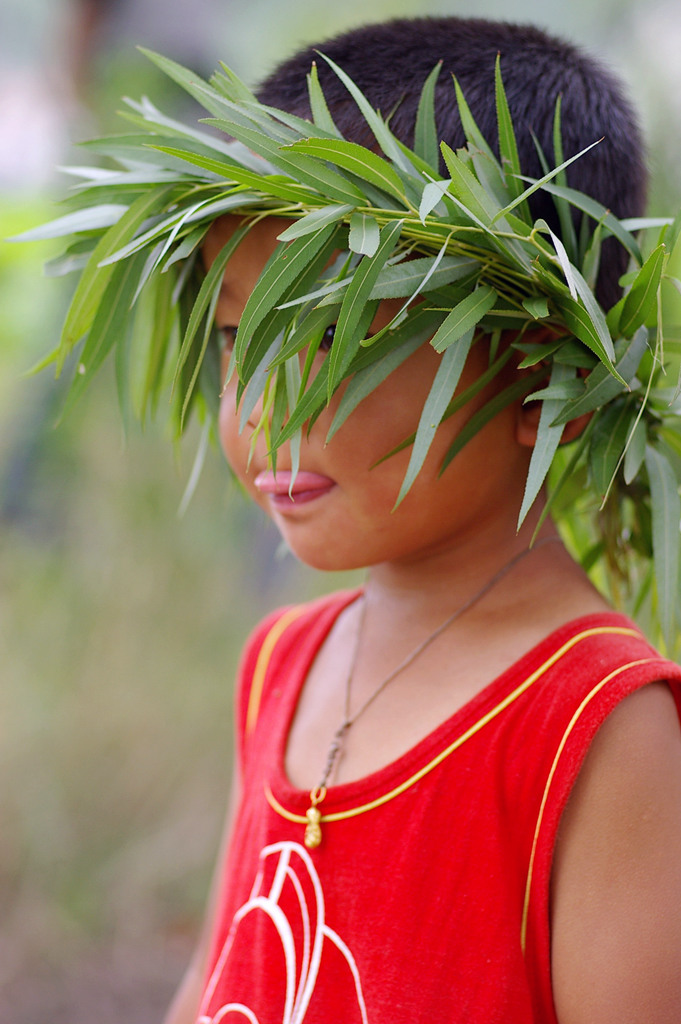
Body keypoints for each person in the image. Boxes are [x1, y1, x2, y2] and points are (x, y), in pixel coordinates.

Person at [156, 17, 681, 1024]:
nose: (262, 405)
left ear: (540, 368)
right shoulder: (281, 662)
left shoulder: (597, 726)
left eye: (326, 336)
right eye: (236, 336)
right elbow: (210, 985)